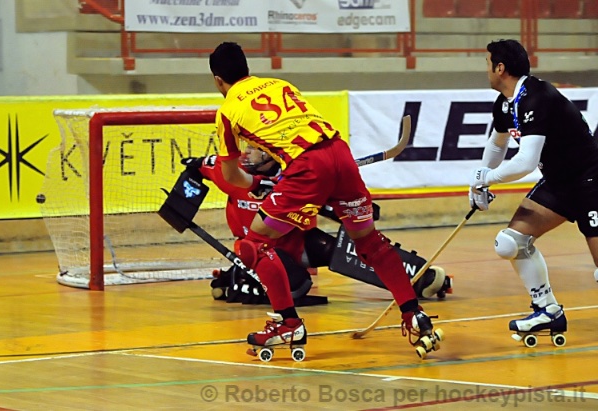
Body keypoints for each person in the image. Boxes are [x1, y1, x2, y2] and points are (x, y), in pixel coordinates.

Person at [208, 41, 441, 357]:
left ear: (217, 80)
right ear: (247, 68)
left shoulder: (227, 112)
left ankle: (288, 323)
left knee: (254, 245)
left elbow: (232, 176)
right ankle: (413, 314)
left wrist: (258, 183)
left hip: (306, 167)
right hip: (339, 153)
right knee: (369, 242)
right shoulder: (280, 84)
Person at [181, 149, 451, 304]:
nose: (246, 153)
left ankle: (420, 278)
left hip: (297, 242)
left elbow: (332, 204)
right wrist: (192, 171)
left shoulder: (294, 178)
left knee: (347, 250)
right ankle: (240, 277)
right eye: (246, 146)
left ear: (271, 155)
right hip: (260, 249)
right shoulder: (232, 173)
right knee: (297, 286)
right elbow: (200, 165)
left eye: (254, 148)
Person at [469, 39, 598, 344]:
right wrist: (479, 182)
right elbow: (497, 144)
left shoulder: (538, 97)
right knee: (510, 243)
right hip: (558, 182)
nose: (486, 70)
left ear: (500, 68)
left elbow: (525, 162)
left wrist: (488, 178)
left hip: (591, 179)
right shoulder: (505, 103)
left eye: (488, 63)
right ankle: (547, 310)